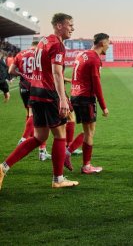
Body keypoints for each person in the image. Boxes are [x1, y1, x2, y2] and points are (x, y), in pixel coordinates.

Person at [0, 13, 79, 190]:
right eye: (70, 25)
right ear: (59, 25)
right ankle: (58, 179)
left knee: (39, 137)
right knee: (60, 135)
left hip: (35, 93)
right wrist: (62, 99)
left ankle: (3, 167)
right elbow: (56, 73)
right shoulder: (57, 45)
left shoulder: (43, 41)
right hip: (49, 94)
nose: (72, 28)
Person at [65, 33, 110, 174]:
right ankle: (85, 165)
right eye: (108, 43)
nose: (109, 46)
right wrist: (104, 106)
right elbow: (97, 85)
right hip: (86, 98)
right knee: (90, 132)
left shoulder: (82, 54)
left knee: (88, 131)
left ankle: (68, 152)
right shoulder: (94, 59)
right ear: (102, 43)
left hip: (75, 96)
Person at [8, 41, 50, 161]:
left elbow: (11, 71)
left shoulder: (21, 54)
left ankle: (38, 146)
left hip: (23, 87)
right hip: (37, 86)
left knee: (29, 113)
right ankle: (25, 139)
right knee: (41, 117)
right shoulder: (40, 53)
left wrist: (22, 74)